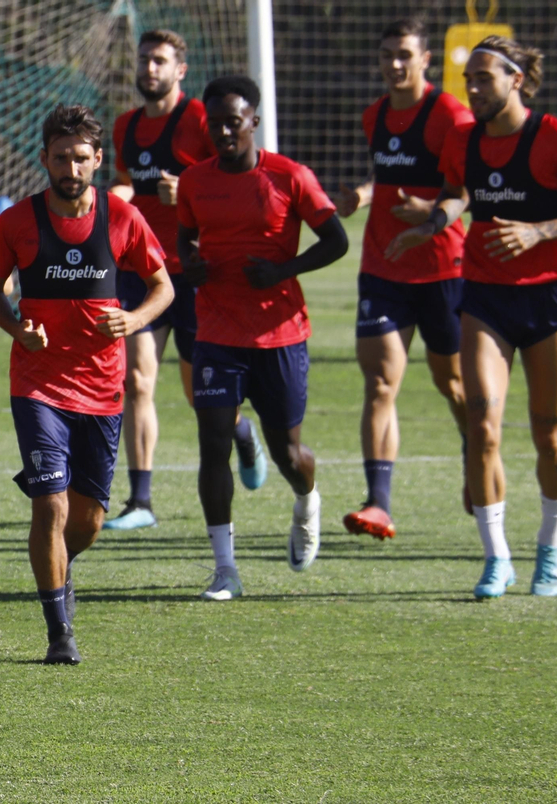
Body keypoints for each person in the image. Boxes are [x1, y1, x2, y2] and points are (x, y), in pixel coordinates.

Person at [387, 36, 557, 599]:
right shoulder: (462, 139)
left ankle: (550, 548)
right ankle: (496, 558)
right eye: (469, 79)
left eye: (484, 78)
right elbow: (457, 193)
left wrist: (540, 231)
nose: (473, 88)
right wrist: (432, 221)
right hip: (485, 297)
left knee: (549, 433)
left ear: (517, 80)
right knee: (483, 427)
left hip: (548, 300)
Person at [0, 104, 172, 663]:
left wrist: (134, 321)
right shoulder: (17, 222)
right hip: (38, 387)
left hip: (102, 389)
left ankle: (59, 570)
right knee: (50, 506)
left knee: (88, 520)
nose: (70, 167)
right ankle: (59, 631)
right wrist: (17, 328)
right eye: (60, 157)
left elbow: (163, 287)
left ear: (97, 161)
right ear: (44, 159)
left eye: (80, 158)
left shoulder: (121, 219)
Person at [179, 76, 349, 601]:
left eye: (235, 120)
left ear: (254, 120)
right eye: (216, 122)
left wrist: (282, 270)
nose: (225, 130)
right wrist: (191, 263)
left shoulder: (289, 176)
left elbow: (337, 240)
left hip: (279, 335)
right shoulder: (194, 182)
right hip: (217, 331)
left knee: (288, 454)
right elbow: (185, 236)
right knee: (213, 445)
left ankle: (307, 500)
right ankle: (225, 569)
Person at [105, 29, 266, 532]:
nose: (149, 68)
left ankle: (241, 432)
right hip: (141, 271)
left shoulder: (199, 118)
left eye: (160, 61)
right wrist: (117, 195)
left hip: (195, 272)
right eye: (145, 60)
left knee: (202, 395)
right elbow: (129, 180)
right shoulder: (125, 125)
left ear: (180, 70)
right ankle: (141, 501)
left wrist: (190, 186)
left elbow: (225, 170)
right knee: (136, 382)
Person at [331, 19, 474, 540]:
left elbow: (466, 191)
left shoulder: (451, 117)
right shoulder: (375, 115)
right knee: (380, 383)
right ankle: (378, 503)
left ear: (426, 60)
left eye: (405, 55)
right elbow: (388, 177)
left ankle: (474, 454)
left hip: (441, 269)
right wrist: (363, 198)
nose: (395, 64)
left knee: (452, 383)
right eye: (387, 54)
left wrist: (432, 212)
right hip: (382, 267)